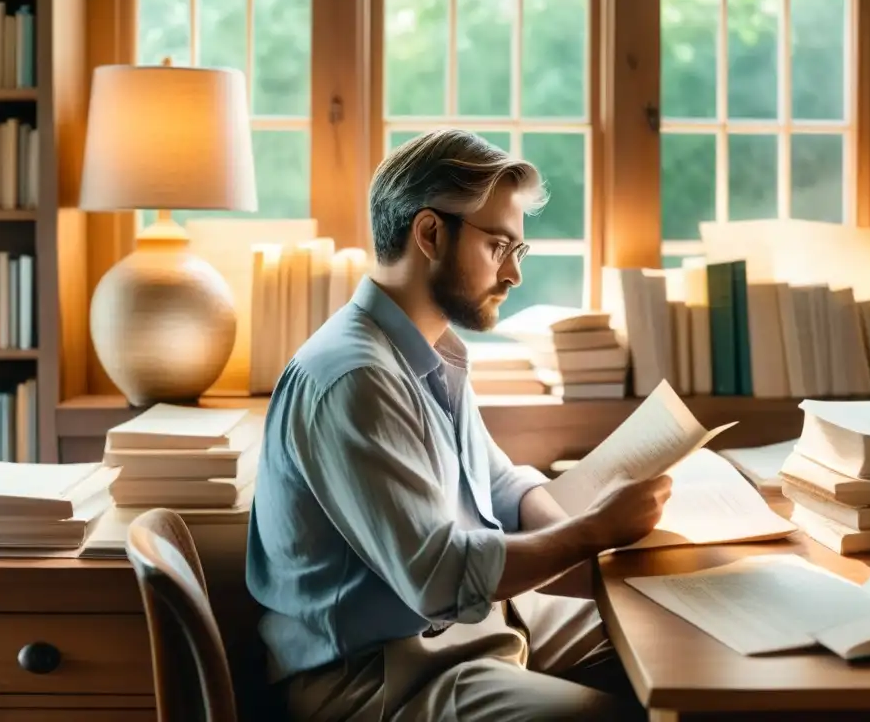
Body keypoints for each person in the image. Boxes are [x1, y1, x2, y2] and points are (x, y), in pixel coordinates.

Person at [246, 129, 672, 721]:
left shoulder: (430, 352)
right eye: (500, 246)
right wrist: (594, 532)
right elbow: (440, 578)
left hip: (461, 636)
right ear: (429, 234)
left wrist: (586, 532)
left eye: (518, 251)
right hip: (380, 676)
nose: (514, 274)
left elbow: (501, 487)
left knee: (664, 646)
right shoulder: (356, 380)